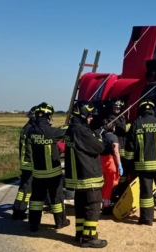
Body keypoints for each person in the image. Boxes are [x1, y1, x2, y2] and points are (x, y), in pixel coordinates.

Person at [125, 100, 156, 225]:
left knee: (146, 194)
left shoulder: (136, 124)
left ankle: (147, 219)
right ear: (153, 110)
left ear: (141, 111)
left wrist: (129, 164)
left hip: (143, 166)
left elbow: (130, 147)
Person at [64, 100, 107, 248]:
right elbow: (98, 147)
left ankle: (80, 234)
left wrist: (94, 133)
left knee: (81, 206)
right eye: (89, 115)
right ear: (82, 114)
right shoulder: (81, 131)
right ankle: (89, 238)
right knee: (93, 206)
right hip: (88, 175)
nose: (91, 118)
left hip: (77, 177)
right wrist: (99, 136)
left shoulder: (71, 129)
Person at [27, 102, 70, 232]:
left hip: (37, 174)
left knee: (36, 200)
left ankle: (34, 224)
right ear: (49, 116)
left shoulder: (31, 131)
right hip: (53, 173)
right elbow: (65, 131)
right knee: (57, 199)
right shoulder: (52, 132)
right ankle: (60, 222)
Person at [12, 105, 37, 220]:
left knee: (23, 188)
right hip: (29, 163)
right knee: (27, 189)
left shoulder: (26, 127)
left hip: (24, 162)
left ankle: (18, 209)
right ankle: (19, 211)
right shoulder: (31, 129)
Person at [99, 117, 123, 215]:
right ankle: (107, 205)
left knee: (104, 183)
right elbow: (116, 152)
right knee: (111, 183)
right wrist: (120, 165)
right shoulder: (113, 137)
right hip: (110, 161)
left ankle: (103, 202)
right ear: (113, 127)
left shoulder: (101, 136)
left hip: (101, 161)